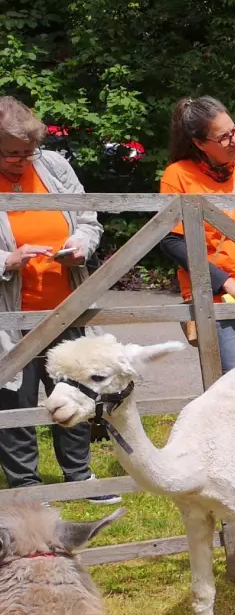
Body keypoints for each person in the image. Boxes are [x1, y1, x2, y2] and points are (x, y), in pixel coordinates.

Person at [0, 97, 117, 505]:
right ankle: (26, 486)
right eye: (12, 154)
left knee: (73, 386)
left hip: (65, 304)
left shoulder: (54, 166)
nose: (22, 160)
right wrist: (7, 260)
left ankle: (79, 475)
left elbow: (87, 217)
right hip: (11, 314)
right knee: (15, 395)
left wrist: (81, 245)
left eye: (28, 152)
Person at [157, 96, 235, 372]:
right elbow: (172, 241)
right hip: (212, 296)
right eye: (224, 137)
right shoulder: (176, 176)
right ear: (200, 144)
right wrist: (224, 283)